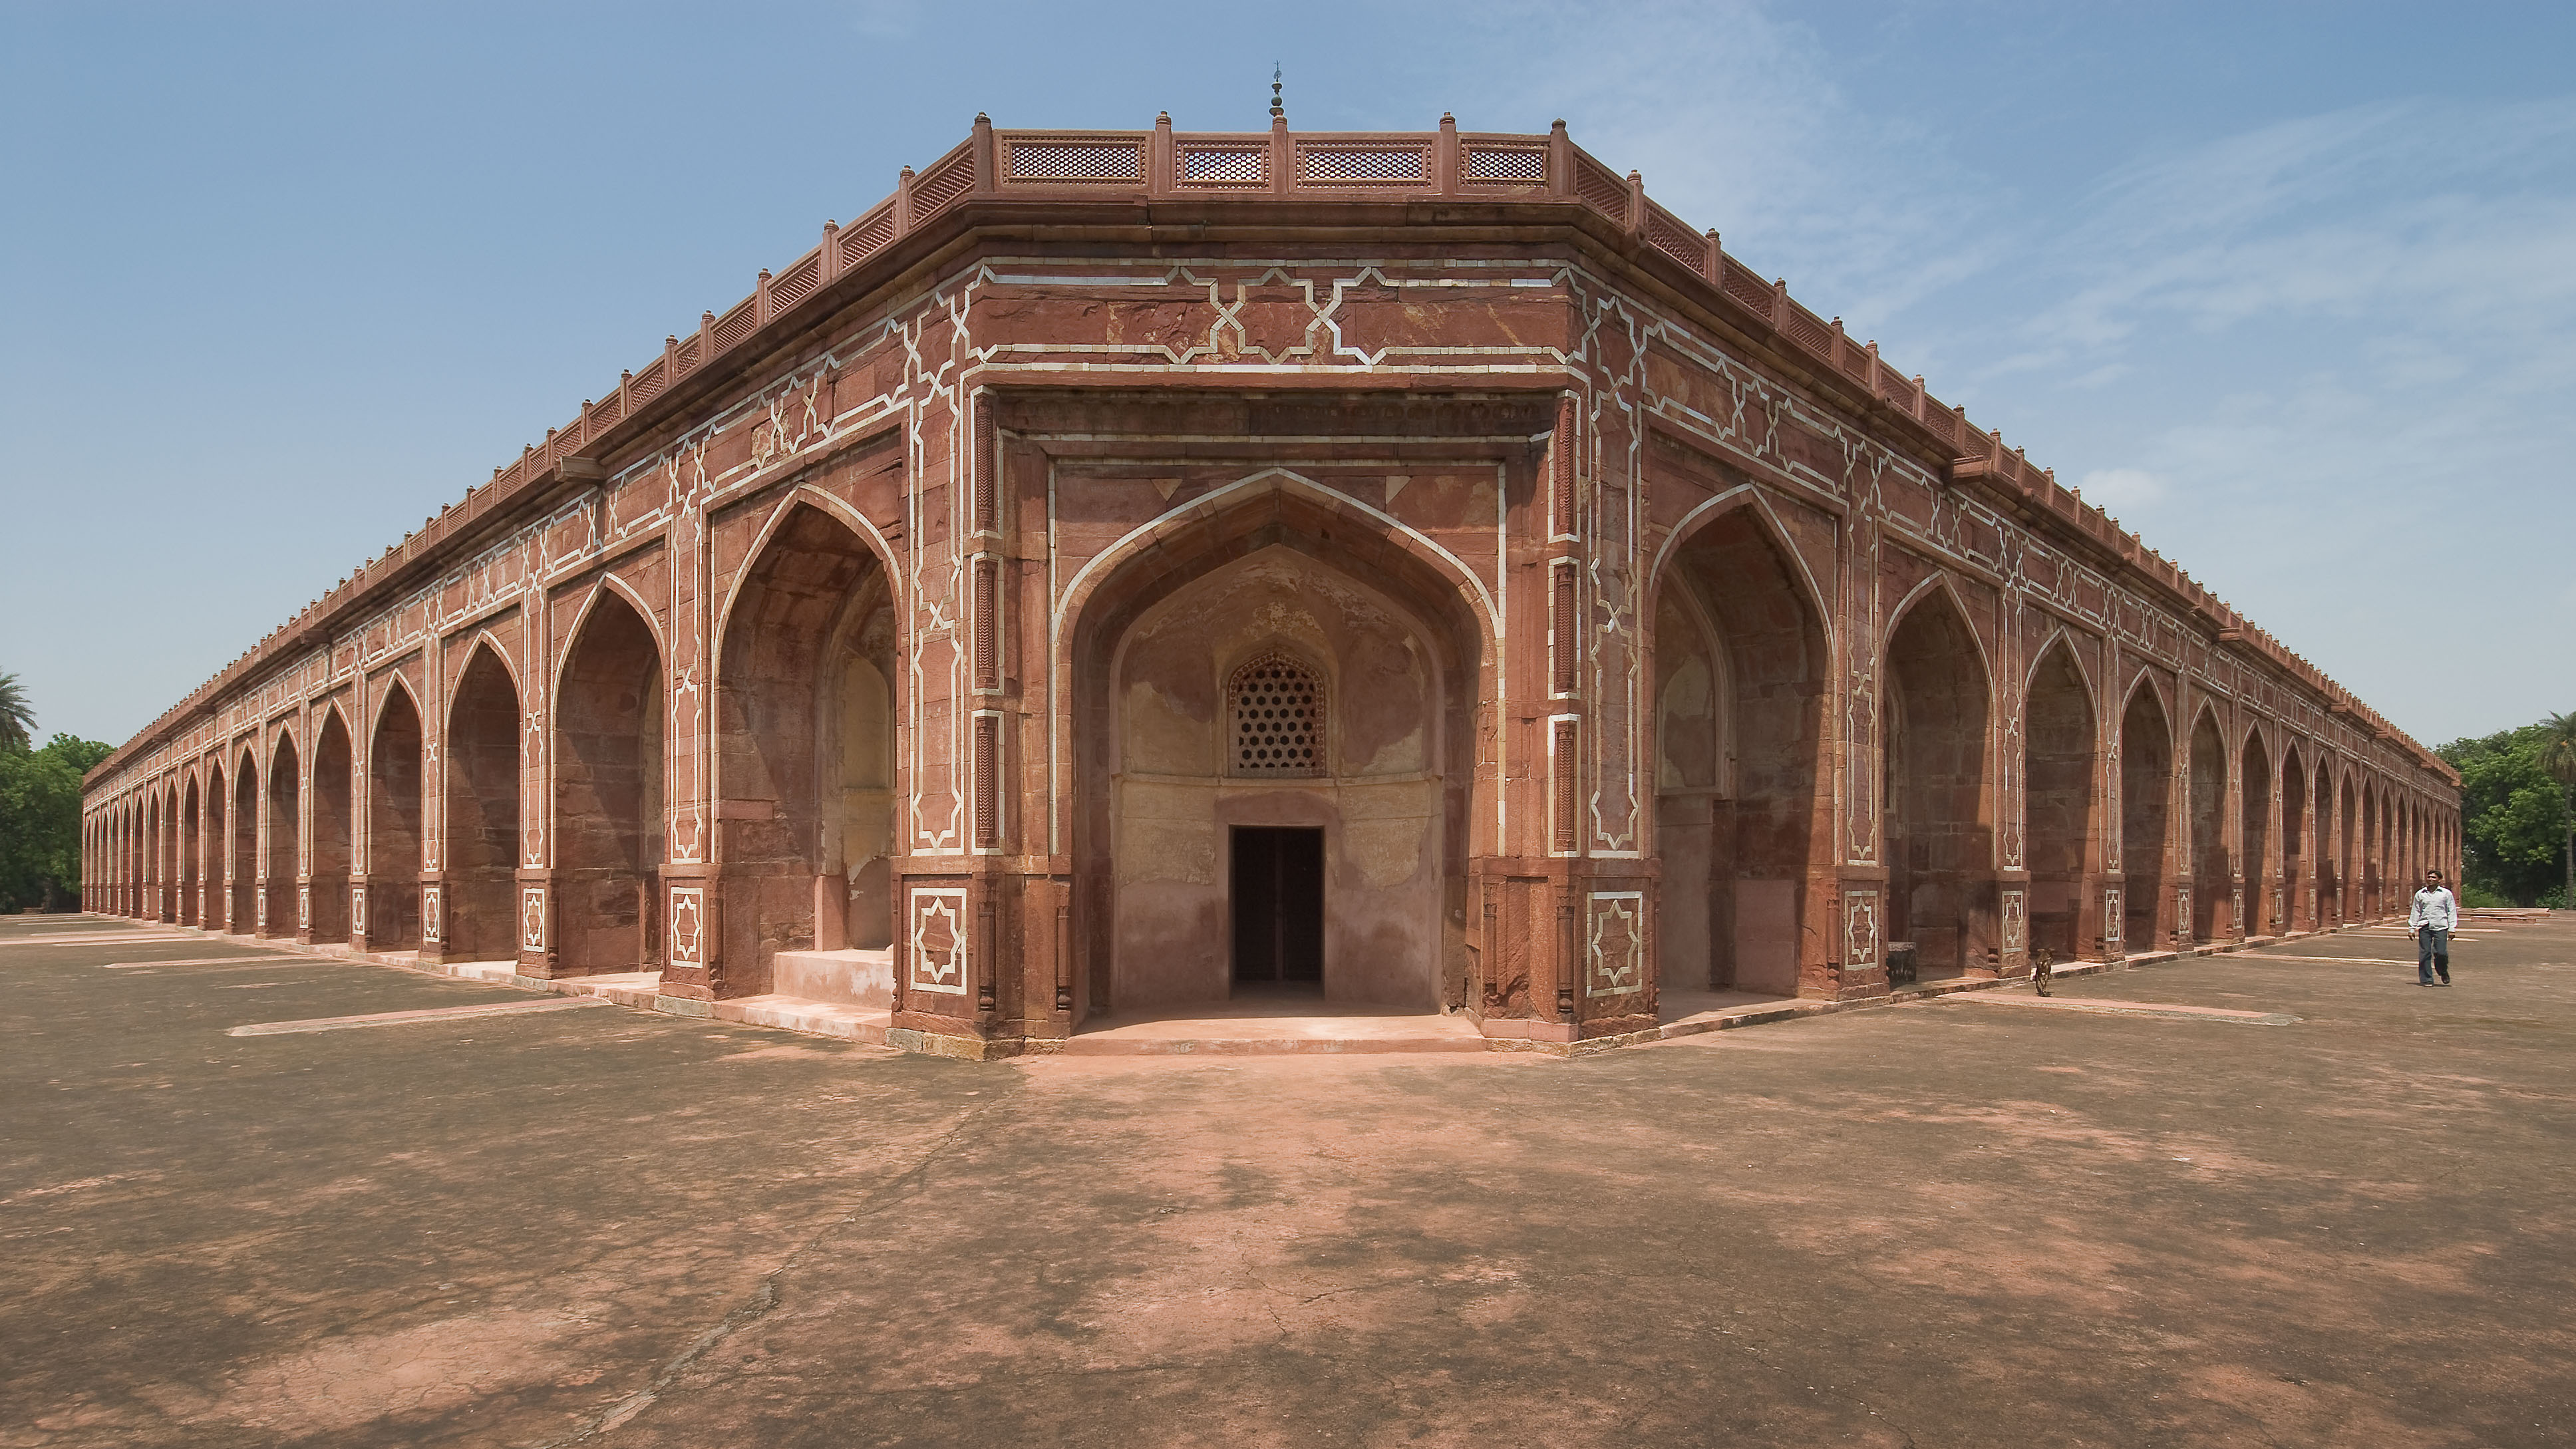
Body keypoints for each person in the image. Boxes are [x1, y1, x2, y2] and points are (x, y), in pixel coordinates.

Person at [2409, 868, 2458, 987]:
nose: (2430, 879)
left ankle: (2443, 971)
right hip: (2425, 926)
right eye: (2429, 877)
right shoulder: (2420, 894)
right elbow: (2416, 911)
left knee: (2441, 952)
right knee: (2425, 953)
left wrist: (2452, 928)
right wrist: (2412, 928)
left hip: (2441, 926)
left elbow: (2451, 911)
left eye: (2434, 878)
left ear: (2439, 880)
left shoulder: (2446, 894)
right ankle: (2427, 979)